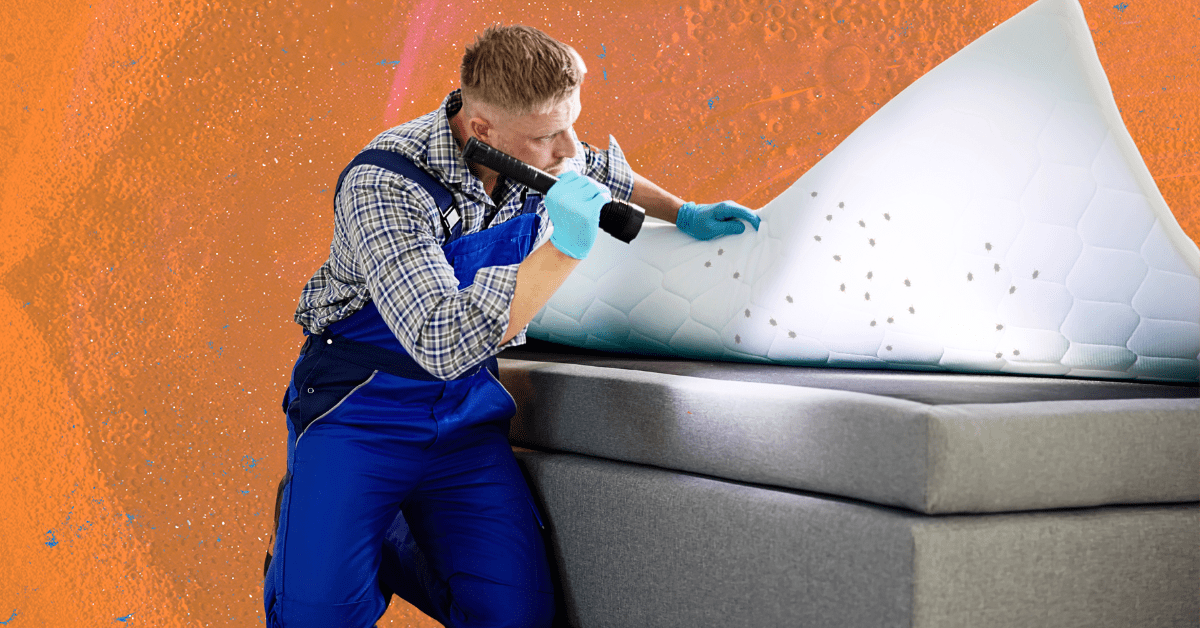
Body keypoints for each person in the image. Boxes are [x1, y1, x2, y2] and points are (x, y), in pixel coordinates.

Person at [263, 24, 761, 628]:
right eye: (550, 136)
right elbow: (438, 342)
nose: (569, 150)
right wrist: (565, 251)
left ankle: (388, 544)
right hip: (360, 412)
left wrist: (684, 212)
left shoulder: (533, 148)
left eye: (573, 124)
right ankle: (357, 536)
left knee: (514, 617)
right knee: (315, 617)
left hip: (466, 417)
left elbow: (607, 173)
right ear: (483, 132)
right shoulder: (385, 185)